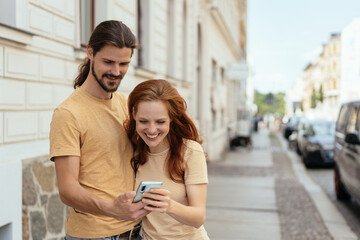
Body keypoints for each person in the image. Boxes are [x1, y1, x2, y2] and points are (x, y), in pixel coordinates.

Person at [50, 20, 147, 240]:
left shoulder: (127, 104)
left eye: (123, 64)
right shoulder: (68, 113)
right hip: (92, 235)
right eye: (109, 62)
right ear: (90, 52)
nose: (116, 71)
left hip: (135, 232)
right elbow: (67, 189)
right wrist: (113, 209)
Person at [124, 79, 210, 240]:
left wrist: (169, 205)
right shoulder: (134, 151)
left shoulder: (190, 151)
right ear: (134, 114)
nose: (151, 130)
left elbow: (199, 217)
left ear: (171, 117)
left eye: (160, 122)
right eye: (143, 121)